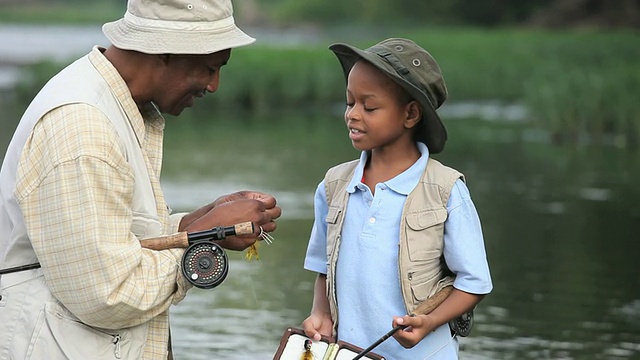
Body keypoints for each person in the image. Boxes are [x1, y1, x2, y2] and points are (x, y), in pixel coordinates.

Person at [0, 0, 281, 359]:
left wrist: (201, 220)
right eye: (210, 68)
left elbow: (113, 240)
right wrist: (204, 237)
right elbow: (107, 294)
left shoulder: (109, 102)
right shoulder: (82, 127)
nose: (214, 85)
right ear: (164, 51)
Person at [301, 38, 493, 359]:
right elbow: (324, 265)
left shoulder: (444, 189)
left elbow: (474, 281)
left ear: (410, 114)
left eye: (369, 107)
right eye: (350, 103)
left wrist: (429, 321)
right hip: (352, 352)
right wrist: (321, 313)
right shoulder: (335, 185)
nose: (353, 115)